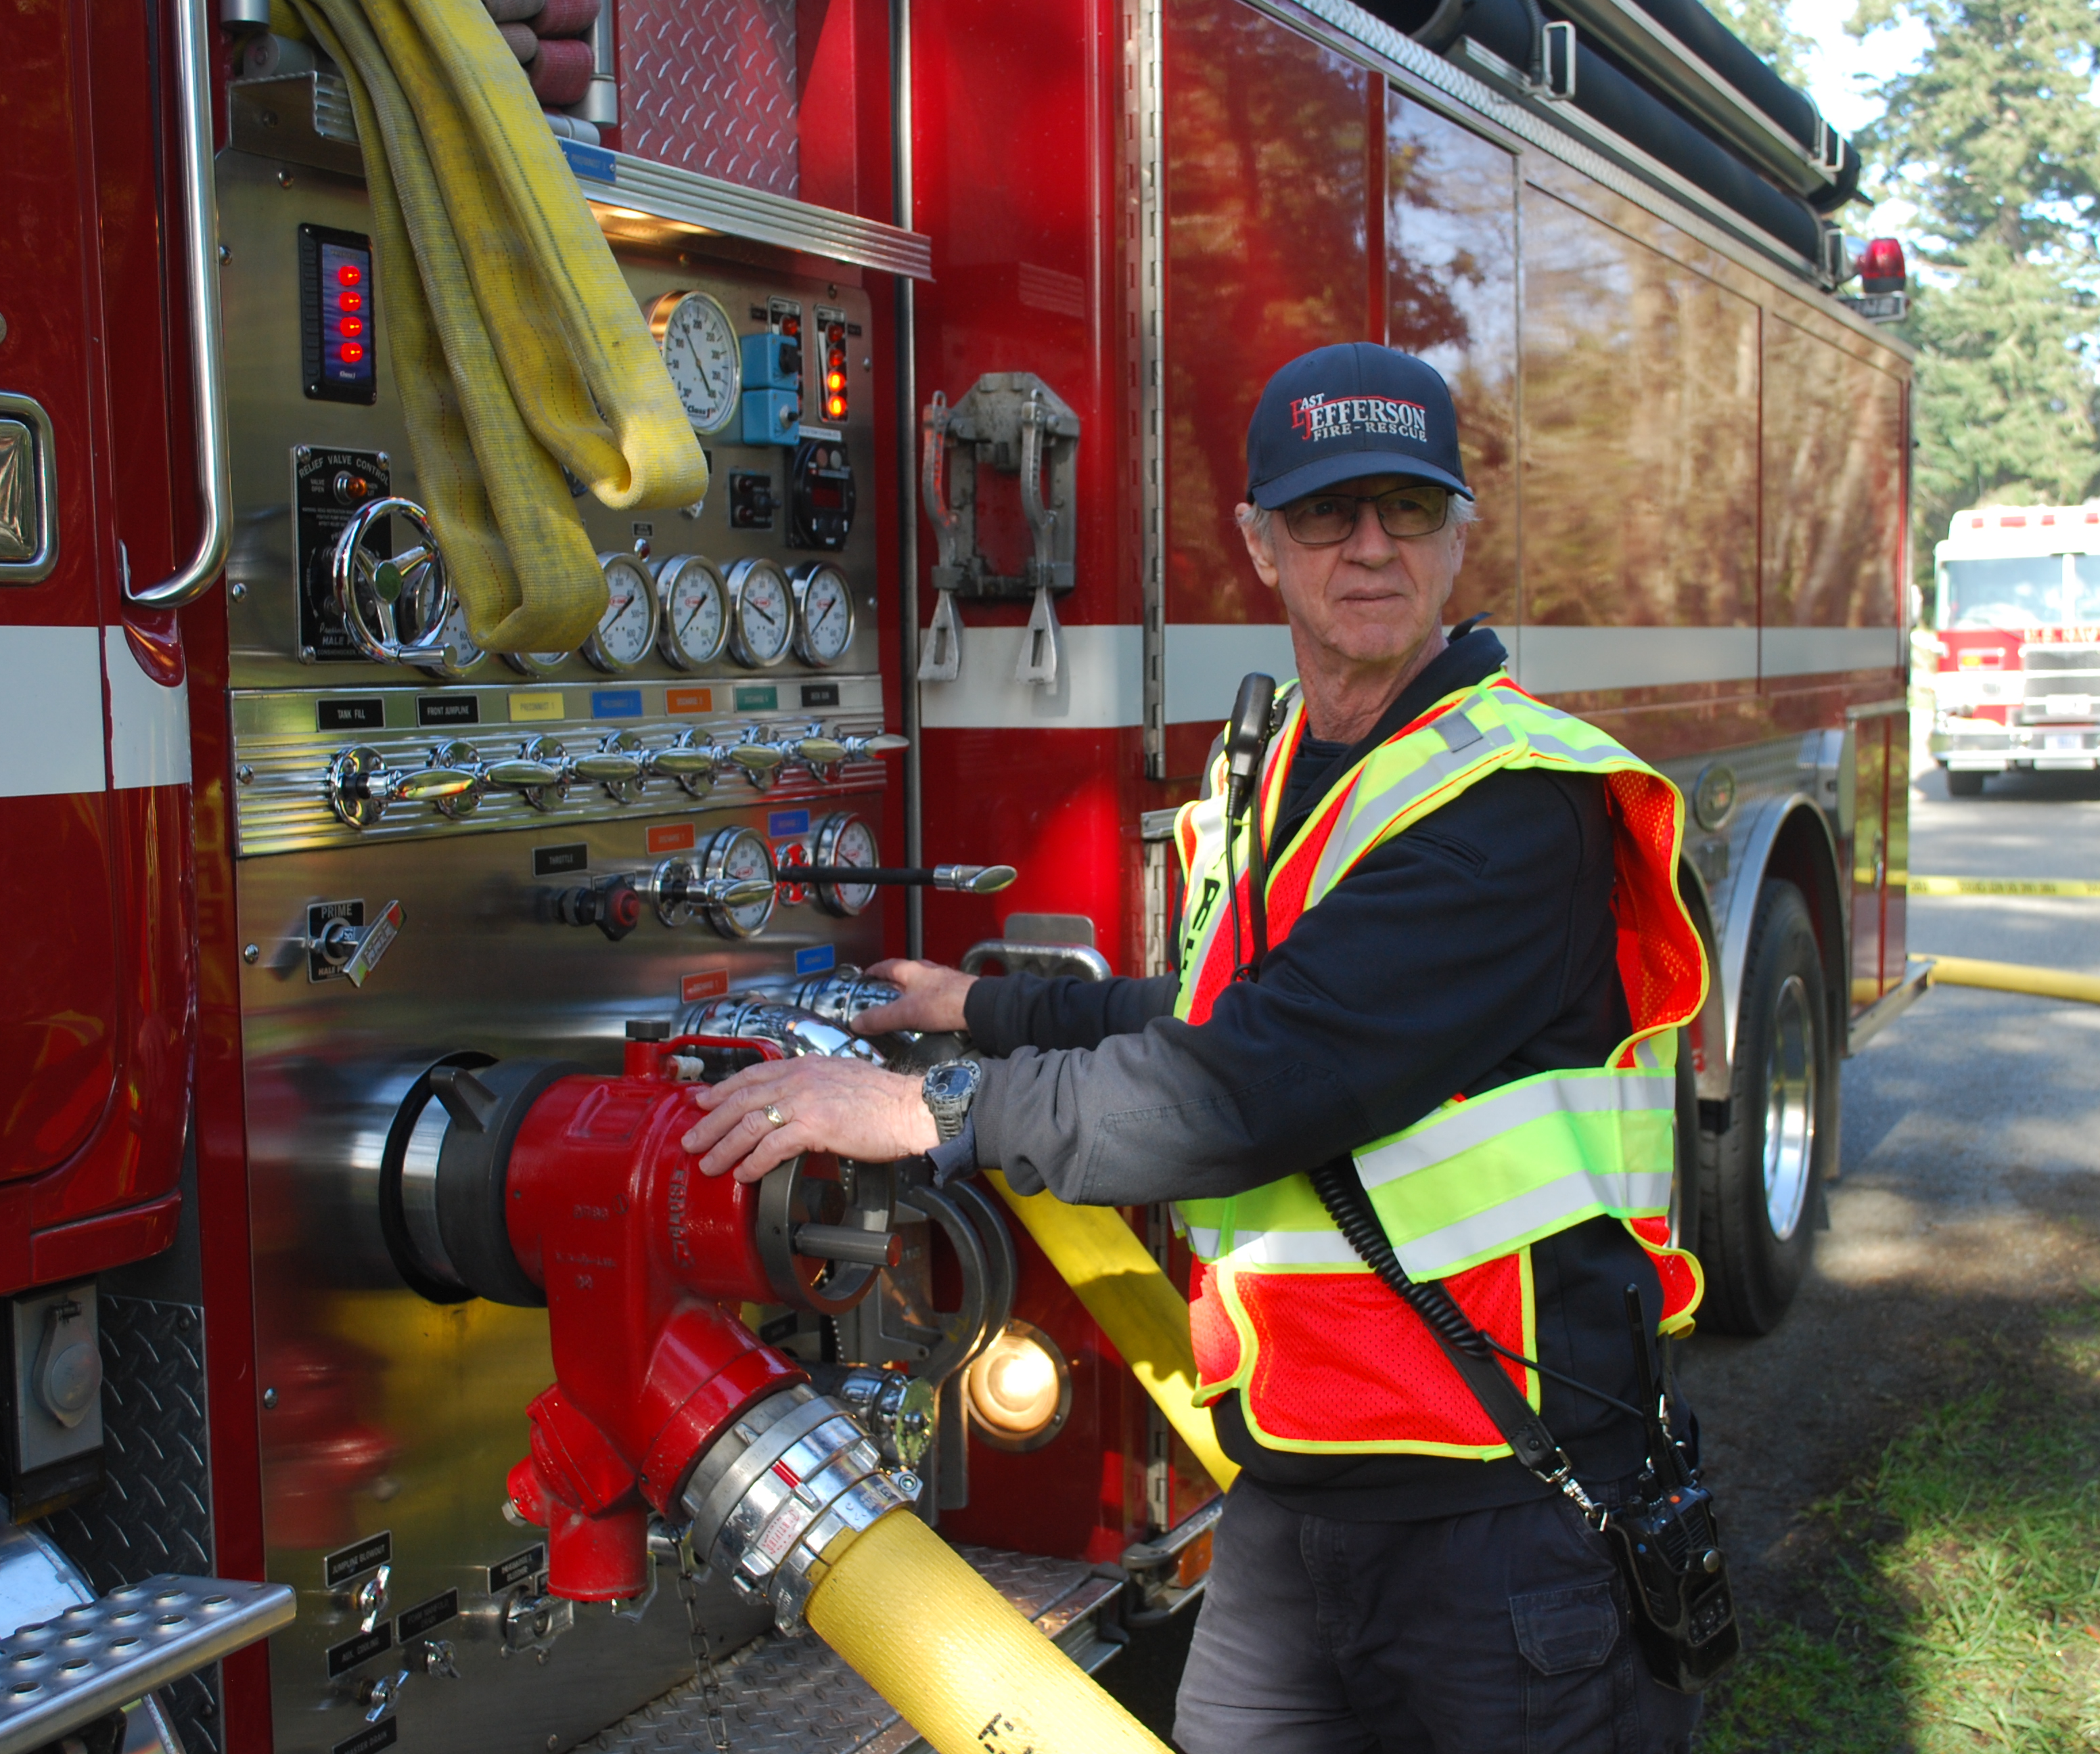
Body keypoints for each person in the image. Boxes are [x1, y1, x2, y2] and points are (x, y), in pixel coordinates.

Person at [683, 342, 1710, 1753]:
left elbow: (1248, 1085)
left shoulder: (1511, 804)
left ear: (1459, 537)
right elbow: (1225, 1007)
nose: (1368, 547)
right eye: (1324, 512)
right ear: (1259, 544)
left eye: (1407, 509)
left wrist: (926, 1110)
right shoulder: (1297, 767)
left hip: (1497, 1508)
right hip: (1302, 1481)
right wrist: (976, 1007)